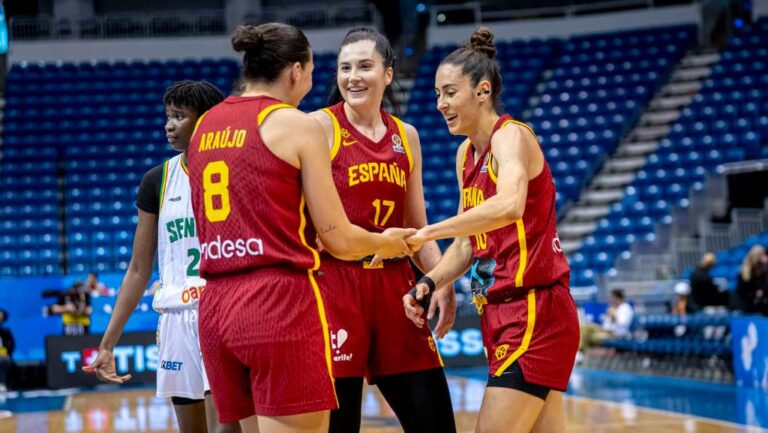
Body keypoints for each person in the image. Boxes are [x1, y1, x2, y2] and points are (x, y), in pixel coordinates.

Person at [186, 23, 414, 433]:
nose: (313, 80)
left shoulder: (205, 125)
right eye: (311, 70)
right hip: (275, 302)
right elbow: (339, 239)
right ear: (295, 70)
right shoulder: (295, 124)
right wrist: (388, 242)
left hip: (216, 306)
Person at [402, 27, 580, 433]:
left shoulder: (511, 137)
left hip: (535, 310)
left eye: (449, 92)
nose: (440, 104)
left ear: (482, 91)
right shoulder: (466, 154)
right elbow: (468, 243)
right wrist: (430, 280)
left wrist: (428, 232)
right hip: (499, 313)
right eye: (436, 94)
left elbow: (509, 204)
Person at [308, 27, 456, 433]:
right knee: (340, 426)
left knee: (435, 421)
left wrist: (440, 279)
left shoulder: (406, 136)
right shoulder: (318, 127)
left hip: (396, 288)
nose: (353, 76)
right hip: (334, 284)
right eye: (345, 67)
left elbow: (417, 225)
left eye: (365, 66)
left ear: (388, 74)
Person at [83, 81, 239, 433]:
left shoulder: (236, 170)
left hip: (222, 310)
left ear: (208, 121)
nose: (169, 125)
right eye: (168, 116)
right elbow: (139, 270)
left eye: (180, 117)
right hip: (175, 318)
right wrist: (106, 345)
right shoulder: (157, 179)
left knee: (228, 428)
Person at [737, 245, 768, 315]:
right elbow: (742, 292)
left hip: (763, 302)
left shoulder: (764, 270)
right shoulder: (744, 272)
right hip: (749, 303)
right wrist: (755, 294)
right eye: (761, 255)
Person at [0, 309, 13, 393]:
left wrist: (6, 353)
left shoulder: (5, 332)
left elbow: (10, 345)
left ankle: (2, 384)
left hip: (2, 355)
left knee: (4, 360)